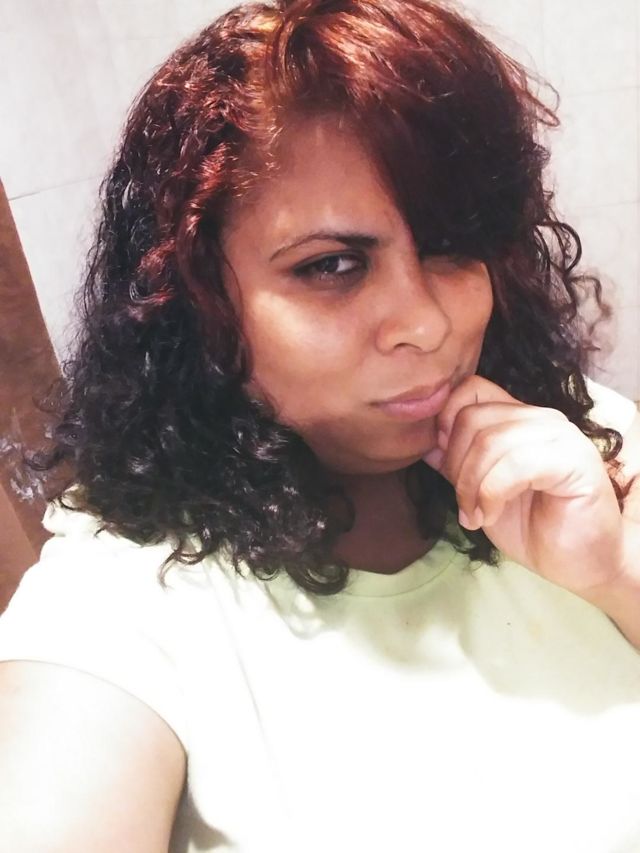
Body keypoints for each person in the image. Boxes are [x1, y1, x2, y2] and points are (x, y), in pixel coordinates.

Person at [1, 1, 640, 850]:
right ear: (195, 296)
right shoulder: (124, 593)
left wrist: (616, 574)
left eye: (451, 247)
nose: (425, 323)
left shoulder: (577, 440)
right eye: (332, 266)